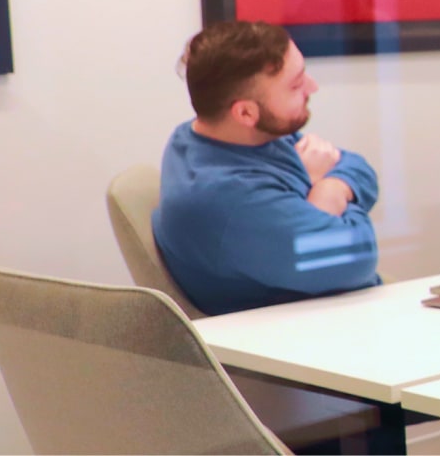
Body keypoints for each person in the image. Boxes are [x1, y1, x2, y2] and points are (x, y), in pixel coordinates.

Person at [154, 21, 381, 317]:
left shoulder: (213, 135)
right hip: (302, 330)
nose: (313, 87)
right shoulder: (228, 199)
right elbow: (359, 256)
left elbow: (359, 168)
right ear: (245, 112)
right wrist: (323, 194)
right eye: (296, 85)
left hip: (333, 307)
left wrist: (331, 186)